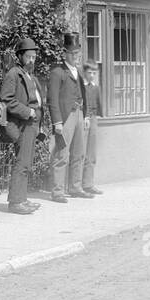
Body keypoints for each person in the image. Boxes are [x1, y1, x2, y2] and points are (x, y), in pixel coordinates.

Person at [0, 36, 45, 215]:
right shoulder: (13, 74)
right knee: (21, 162)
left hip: (32, 124)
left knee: (26, 162)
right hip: (22, 124)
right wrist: (28, 112)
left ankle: (22, 199)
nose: (32, 60)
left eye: (34, 57)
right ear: (19, 56)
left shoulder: (30, 75)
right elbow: (6, 100)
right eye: (28, 56)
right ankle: (15, 202)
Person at [48, 34, 89, 202]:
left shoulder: (78, 71)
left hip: (79, 114)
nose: (76, 57)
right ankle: (57, 191)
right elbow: (52, 99)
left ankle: (75, 187)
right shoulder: (58, 72)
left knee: (79, 153)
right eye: (73, 54)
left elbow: (83, 95)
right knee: (61, 154)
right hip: (65, 117)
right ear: (65, 54)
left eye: (78, 53)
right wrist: (57, 121)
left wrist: (85, 115)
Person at [79, 59, 105, 196]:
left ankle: (88, 184)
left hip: (93, 120)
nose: (92, 76)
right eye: (89, 73)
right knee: (81, 153)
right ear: (84, 73)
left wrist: (97, 116)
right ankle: (77, 185)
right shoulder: (81, 86)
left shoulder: (95, 86)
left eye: (94, 73)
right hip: (84, 120)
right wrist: (85, 117)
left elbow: (98, 103)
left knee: (91, 154)